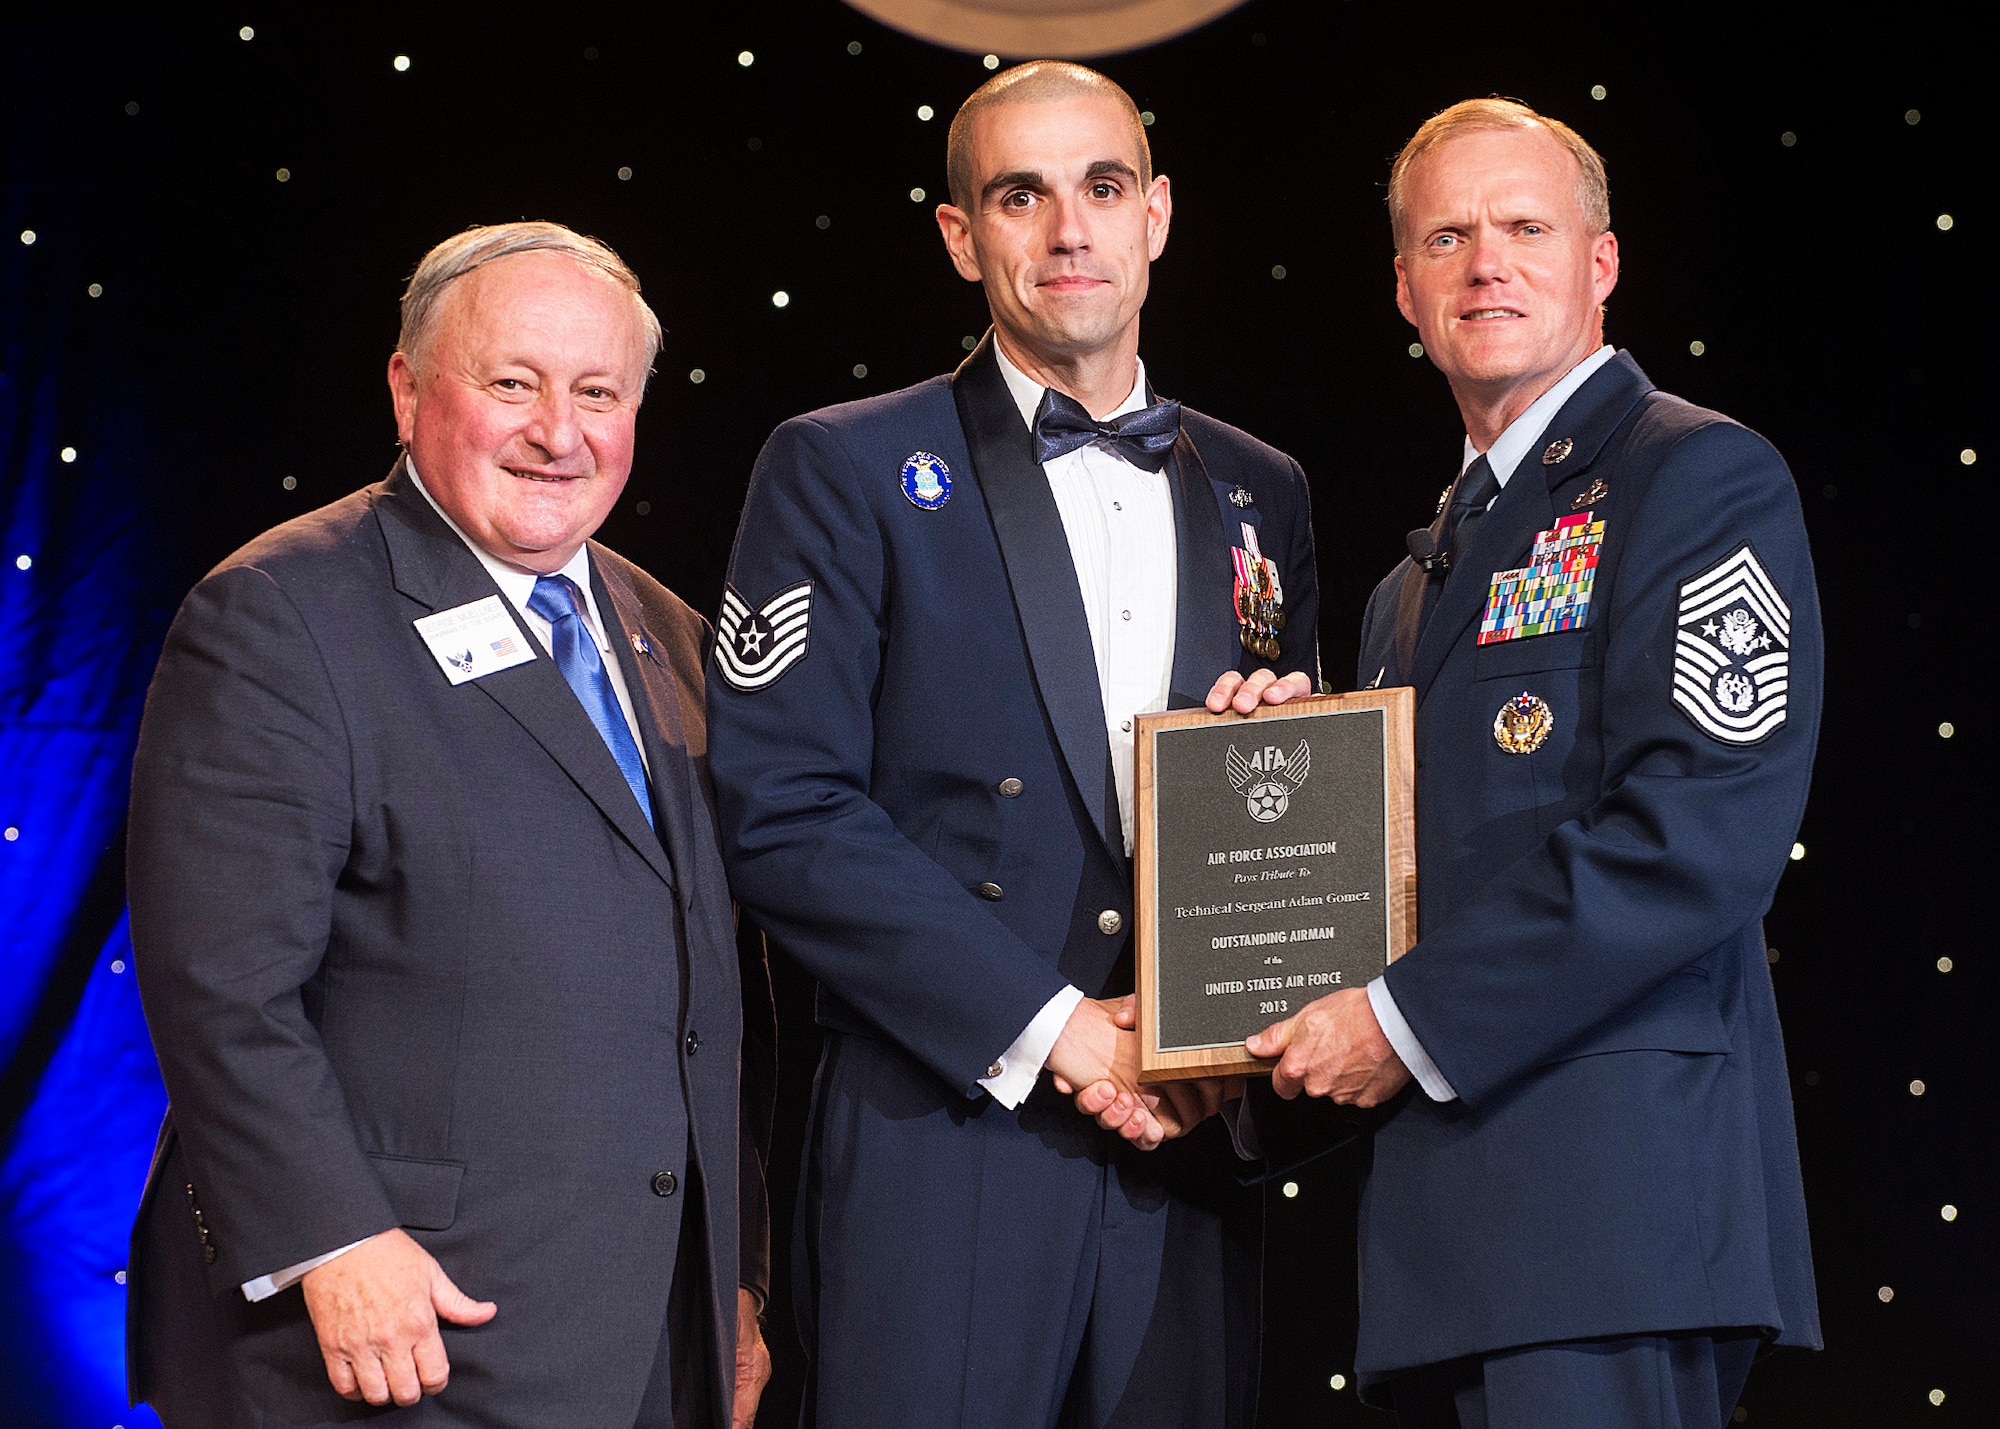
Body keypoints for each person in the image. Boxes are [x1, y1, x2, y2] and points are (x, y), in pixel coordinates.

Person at [705, 62, 1321, 1429]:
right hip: (948, 1128)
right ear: (958, 235)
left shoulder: (1258, 486)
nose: (1068, 232)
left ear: (1158, 214)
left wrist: (1212, 1038)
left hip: (1186, 1141)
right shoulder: (842, 465)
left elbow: (1291, 805)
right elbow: (782, 806)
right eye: (1019, 195)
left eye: (1103, 187)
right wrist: (1062, 1036)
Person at [125, 222, 774, 1429]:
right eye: (511, 383)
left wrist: (730, 1271)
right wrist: (330, 1239)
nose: (557, 432)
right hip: (397, 1337)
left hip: (645, 1341)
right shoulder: (281, 613)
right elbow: (218, 981)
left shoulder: (672, 634)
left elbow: (708, 999)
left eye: (597, 392)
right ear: (408, 387)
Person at [1243, 99, 1822, 1426]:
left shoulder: (1698, 477)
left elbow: (1699, 836)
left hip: (1612, 1225)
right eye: (1448, 235)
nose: (1486, 262)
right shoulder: (1408, 587)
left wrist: (1393, 1022)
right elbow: (1400, 876)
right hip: (1438, 1247)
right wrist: (1282, 760)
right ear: (1404, 287)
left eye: (1524, 226)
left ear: (1599, 263)